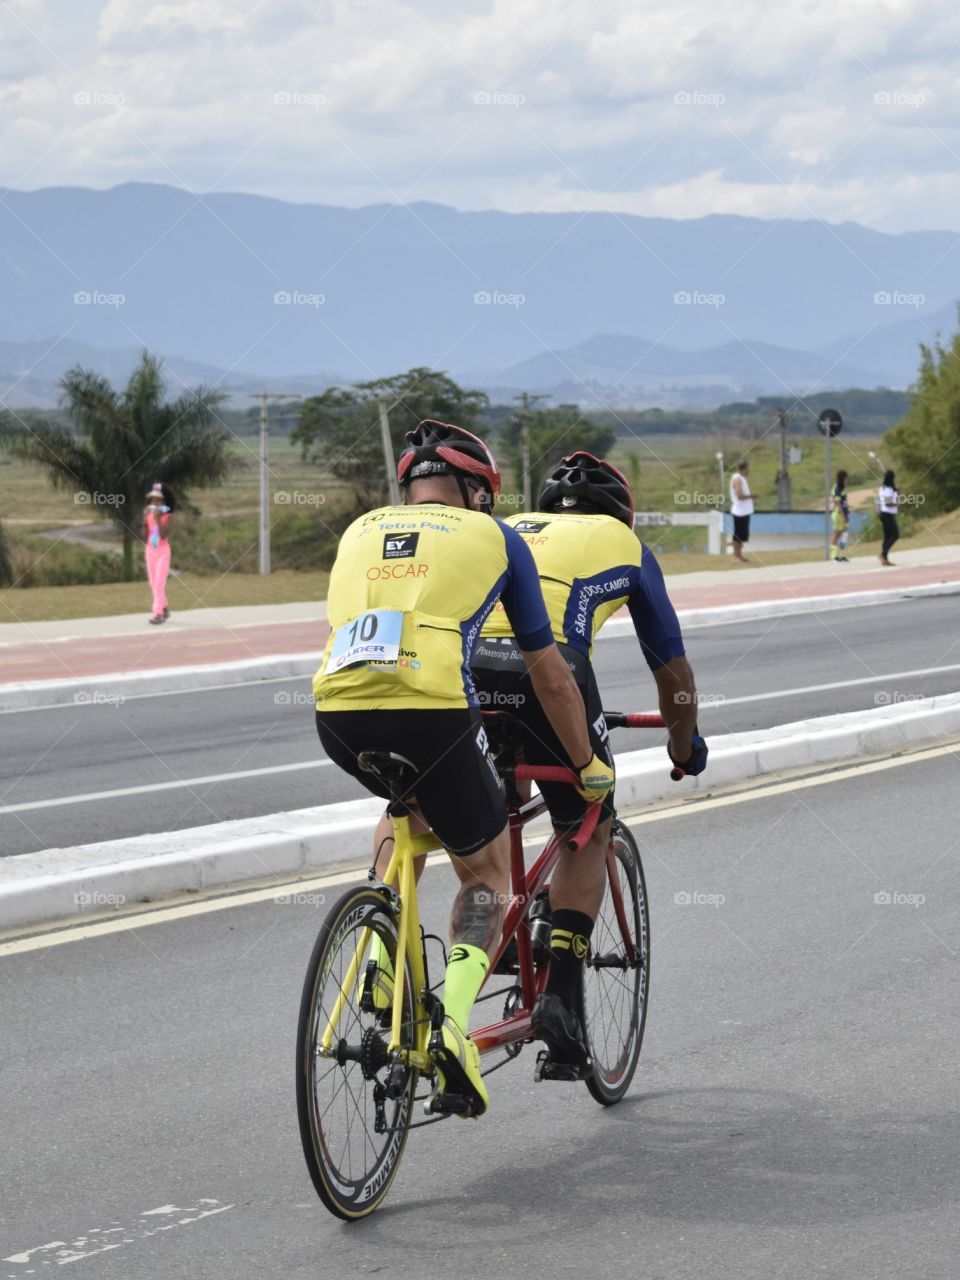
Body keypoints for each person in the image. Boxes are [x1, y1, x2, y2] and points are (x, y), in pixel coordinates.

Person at [312, 420, 613, 1118]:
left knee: (403, 808)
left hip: (335, 712)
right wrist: (586, 764)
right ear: (478, 492)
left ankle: (383, 969)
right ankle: (449, 1019)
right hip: (435, 715)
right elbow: (552, 676)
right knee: (483, 871)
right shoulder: (495, 536)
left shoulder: (360, 531)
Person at [474, 451, 707, 1068]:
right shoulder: (625, 544)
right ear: (621, 513)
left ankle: (495, 930)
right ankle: (562, 999)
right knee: (589, 826)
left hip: (461, 673)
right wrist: (683, 744)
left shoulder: (509, 527)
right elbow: (673, 673)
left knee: (485, 811)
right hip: (547, 676)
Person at [143, 482, 173, 624]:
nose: (155, 502)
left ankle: (158, 613)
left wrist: (157, 519)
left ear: (164, 501)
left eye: (158, 500)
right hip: (150, 551)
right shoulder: (149, 515)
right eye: (153, 500)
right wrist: (145, 520)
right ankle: (164, 607)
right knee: (153, 584)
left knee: (160, 584)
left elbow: (163, 535)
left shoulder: (168, 517)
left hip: (163, 552)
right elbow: (145, 536)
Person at [729, 460, 753, 562]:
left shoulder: (742, 478)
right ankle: (735, 556)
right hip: (739, 511)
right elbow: (739, 495)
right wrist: (752, 496)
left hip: (745, 511)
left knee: (742, 535)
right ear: (745, 468)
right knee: (737, 535)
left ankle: (740, 555)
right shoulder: (737, 478)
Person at [877, 470, 900, 565]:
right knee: (895, 535)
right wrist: (898, 503)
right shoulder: (888, 489)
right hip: (887, 514)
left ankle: (884, 558)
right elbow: (888, 503)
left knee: (887, 537)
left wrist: (897, 492)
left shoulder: (883, 488)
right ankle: (883, 555)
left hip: (885, 514)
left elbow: (892, 498)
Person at [831, 468, 851, 562]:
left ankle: (842, 554)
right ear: (842, 478)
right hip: (839, 514)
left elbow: (844, 502)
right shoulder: (837, 488)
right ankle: (834, 556)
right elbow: (838, 503)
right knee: (837, 534)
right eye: (846, 478)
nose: (847, 480)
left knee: (845, 533)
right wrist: (843, 516)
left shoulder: (842, 488)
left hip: (843, 514)